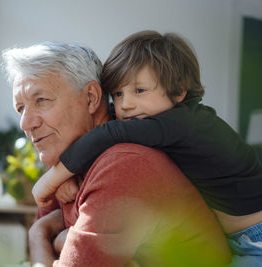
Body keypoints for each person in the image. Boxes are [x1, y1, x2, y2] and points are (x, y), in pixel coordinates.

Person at [31, 31, 262, 266]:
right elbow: (99, 124)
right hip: (239, 239)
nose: (127, 104)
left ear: (179, 91)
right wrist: (67, 179)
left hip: (256, 239)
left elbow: (107, 133)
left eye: (140, 91)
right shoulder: (159, 120)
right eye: (118, 94)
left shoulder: (184, 124)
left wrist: (50, 181)